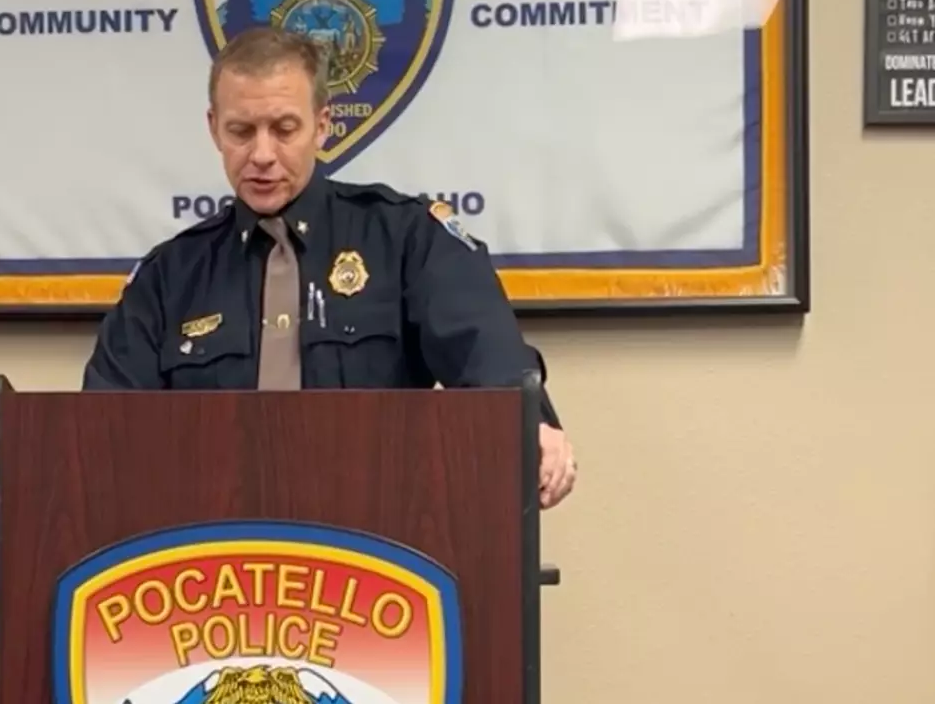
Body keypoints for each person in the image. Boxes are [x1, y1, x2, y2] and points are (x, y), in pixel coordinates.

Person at [83, 26, 577, 509]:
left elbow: (487, 359)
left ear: (322, 124)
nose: (261, 155)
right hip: (213, 549)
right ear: (214, 128)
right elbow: (102, 430)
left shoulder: (405, 239)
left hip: (372, 537)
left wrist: (529, 426)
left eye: (283, 129)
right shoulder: (169, 277)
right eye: (241, 131)